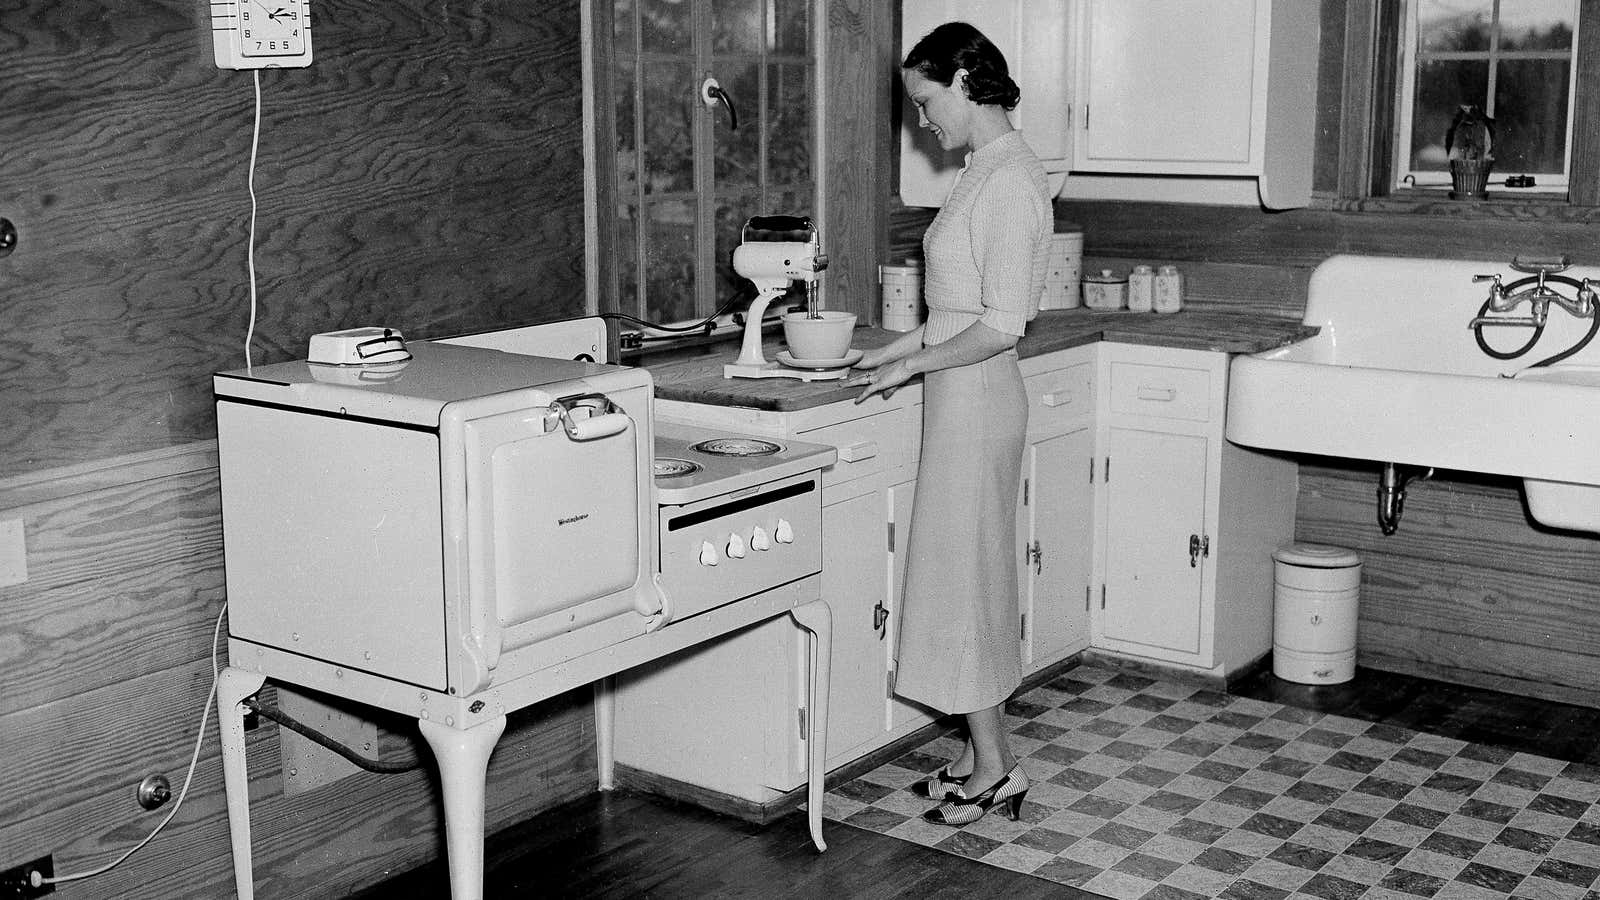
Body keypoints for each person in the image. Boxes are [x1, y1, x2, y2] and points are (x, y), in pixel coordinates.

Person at [847, 21, 1052, 826]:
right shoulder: (984, 169)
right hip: (962, 396)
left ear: (966, 81)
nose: (922, 122)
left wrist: (911, 365)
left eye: (927, 102)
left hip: (979, 397)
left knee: (966, 584)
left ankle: (998, 767)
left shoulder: (1008, 181)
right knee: (961, 578)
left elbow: (1002, 326)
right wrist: (890, 350)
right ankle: (977, 750)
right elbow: (953, 310)